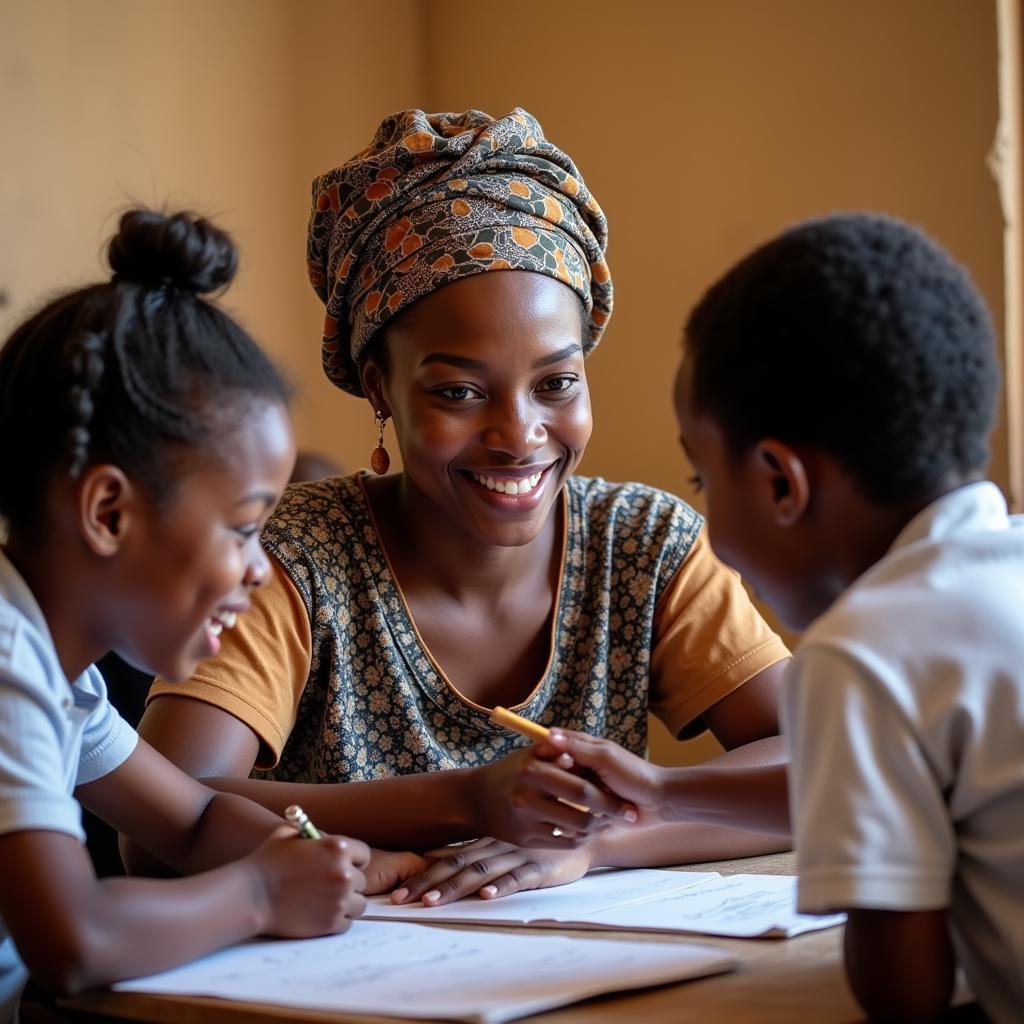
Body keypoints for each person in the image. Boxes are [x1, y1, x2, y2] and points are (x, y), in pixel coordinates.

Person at [135, 108, 792, 906]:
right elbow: (159, 822)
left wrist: (598, 842)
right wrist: (463, 801)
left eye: (557, 383)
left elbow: (823, 767)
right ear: (380, 386)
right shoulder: (290, 560)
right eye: (459, 391)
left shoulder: (645, 546)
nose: (519, 436)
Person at [544, 213, 1022, 1022]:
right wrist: (664, 792)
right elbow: (881, 780)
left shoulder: (866, 651)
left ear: (779, 483)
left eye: (701, 480)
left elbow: (905, 992)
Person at [0, 208, 422, 1021]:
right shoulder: (9, 664)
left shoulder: (65, 681)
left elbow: (190, 821)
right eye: (242, 528)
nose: (260, 569)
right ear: (109, 513)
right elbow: (73, 939)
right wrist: (259, 896)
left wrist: (343, 862)